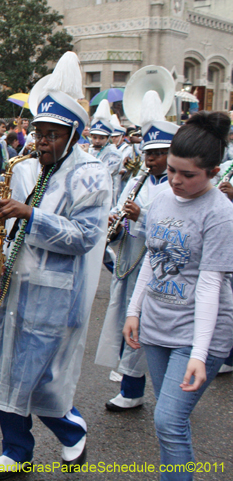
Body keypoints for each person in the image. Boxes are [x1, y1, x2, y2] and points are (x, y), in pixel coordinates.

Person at [0, 51, 112, 479]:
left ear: (73, 134)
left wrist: (30, 216)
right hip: (14, 285)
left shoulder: (90, 173)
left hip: (54, 295)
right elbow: (14, 216)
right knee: (4, 374)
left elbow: (86, 237)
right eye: (39, 134)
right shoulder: (30, 165)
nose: (43, 143)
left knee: (35, 379)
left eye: (53, 135)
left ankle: (71, 429)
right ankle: (17, 451)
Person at [123, 111, 233, 481]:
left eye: (188, 175)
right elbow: (152, 261)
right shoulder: (163, 199)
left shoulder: (221, 213)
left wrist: (200, 355)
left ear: (214, 173)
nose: (175, 180)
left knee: (167, 420)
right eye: (171, 170)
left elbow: (209, 286)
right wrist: (134, 311)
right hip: (157, 327)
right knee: (172, 421)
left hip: (200, 334)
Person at [96, 90, 174, 412]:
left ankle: (168, 394)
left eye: (157, 154)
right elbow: (118, 207)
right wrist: (117, 219)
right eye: (148, 153)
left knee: (153, 330)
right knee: (125, 322)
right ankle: (132, 389)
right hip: (130, 261)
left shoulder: (176, 186)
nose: (150, 159)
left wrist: (140, 217)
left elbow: (175, 231)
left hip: (158, 270)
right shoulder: (136, 181)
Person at [88, 100, 123, 202]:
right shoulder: (90, 149)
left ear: (108, 138)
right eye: (95, 137)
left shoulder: (114, 154)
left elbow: (101, 173)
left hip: (107, 196)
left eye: (102, 138)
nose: (97, 141)